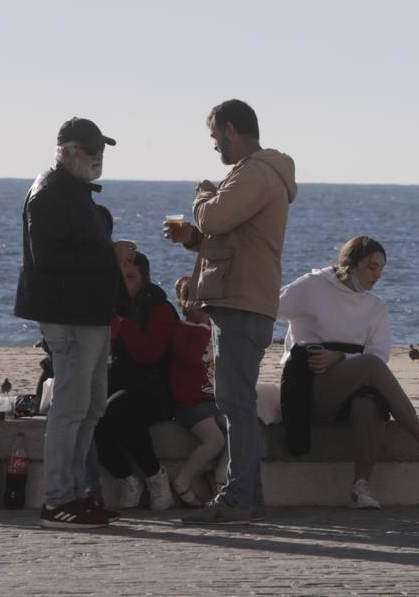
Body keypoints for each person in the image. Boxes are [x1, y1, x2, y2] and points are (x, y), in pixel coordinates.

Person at [165, 99, 297, 525]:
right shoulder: (257, 174)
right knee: (235, 403)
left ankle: (237, 498)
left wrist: (203, 194)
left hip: (242, 305)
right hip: (242, 302)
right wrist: (193, 240)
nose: (214, 146)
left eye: (214, 136)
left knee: (235, 404)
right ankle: (246, 496)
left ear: (230, 130)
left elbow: (216, 216)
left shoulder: (255, 172)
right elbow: (233, 240)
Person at [277, 236, 419, 511]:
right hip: (309, 389)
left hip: (350, 388)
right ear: (350, 264)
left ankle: (361, 487)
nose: (377, 274)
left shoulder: (376, 307)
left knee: (368, 404)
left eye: (381, 268)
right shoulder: (313, 286)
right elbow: (269, 308)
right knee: (368, 365)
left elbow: (379, 356)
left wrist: (341, 357)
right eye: (371, 267)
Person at [15, 117, 134, 529]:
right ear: (67, 151)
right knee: (70, 407)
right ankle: (58, 499)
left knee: (91, 405)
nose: (99, 156)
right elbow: (48, 258)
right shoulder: (49, 192)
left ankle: (80, 493)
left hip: (90, 315)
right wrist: (110, 255)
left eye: (101, 149)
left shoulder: (73, 189)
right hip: (69, 316)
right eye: (91, 149)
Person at [95, 251, 177, 511]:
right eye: (119, 278)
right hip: (116, 382)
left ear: (144, 279)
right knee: (90, 414)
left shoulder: (159, 308)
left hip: (157, 387)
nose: (124, 283)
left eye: (130, 277)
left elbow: (149, 353)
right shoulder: (107, 305)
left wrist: (125, 327)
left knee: (120, 411)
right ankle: (126, 478)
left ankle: (156, 477)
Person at [167, 276, 227, 508]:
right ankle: (182, 482)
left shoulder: (211, 330)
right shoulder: (183, 331)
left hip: (211, 398)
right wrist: (204, 326)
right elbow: (191, 357)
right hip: (188, 401)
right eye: (197, 300)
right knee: (215, 440)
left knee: (239, 428)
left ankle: (220, 477)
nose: (204, 306)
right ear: (185, 304)